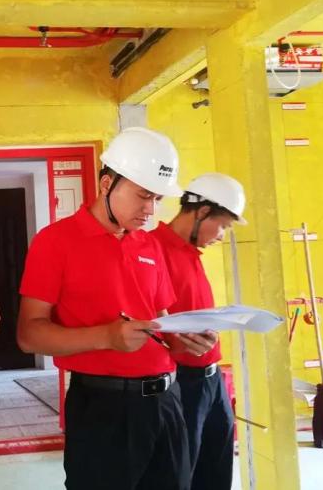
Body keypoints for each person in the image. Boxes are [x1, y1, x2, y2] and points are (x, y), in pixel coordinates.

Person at [18, 127, 216, 490]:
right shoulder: (55, 242)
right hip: (103, 408)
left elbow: (161, 322)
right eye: (143, 195)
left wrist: (185, 338)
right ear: (107, 183)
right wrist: (107, 337)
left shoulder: (149, 245)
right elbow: (29, 334)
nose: (150, 210)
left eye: (157, 198)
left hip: (168, 402)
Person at [151, 172, 245, 490]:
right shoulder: (154, 249)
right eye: (223, 226)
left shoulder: (191, 252)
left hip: (213, 381)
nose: (221, 235)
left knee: (216, 472)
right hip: (180, 384)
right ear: (202, 212)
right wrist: (174, 343)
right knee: (181, 475)